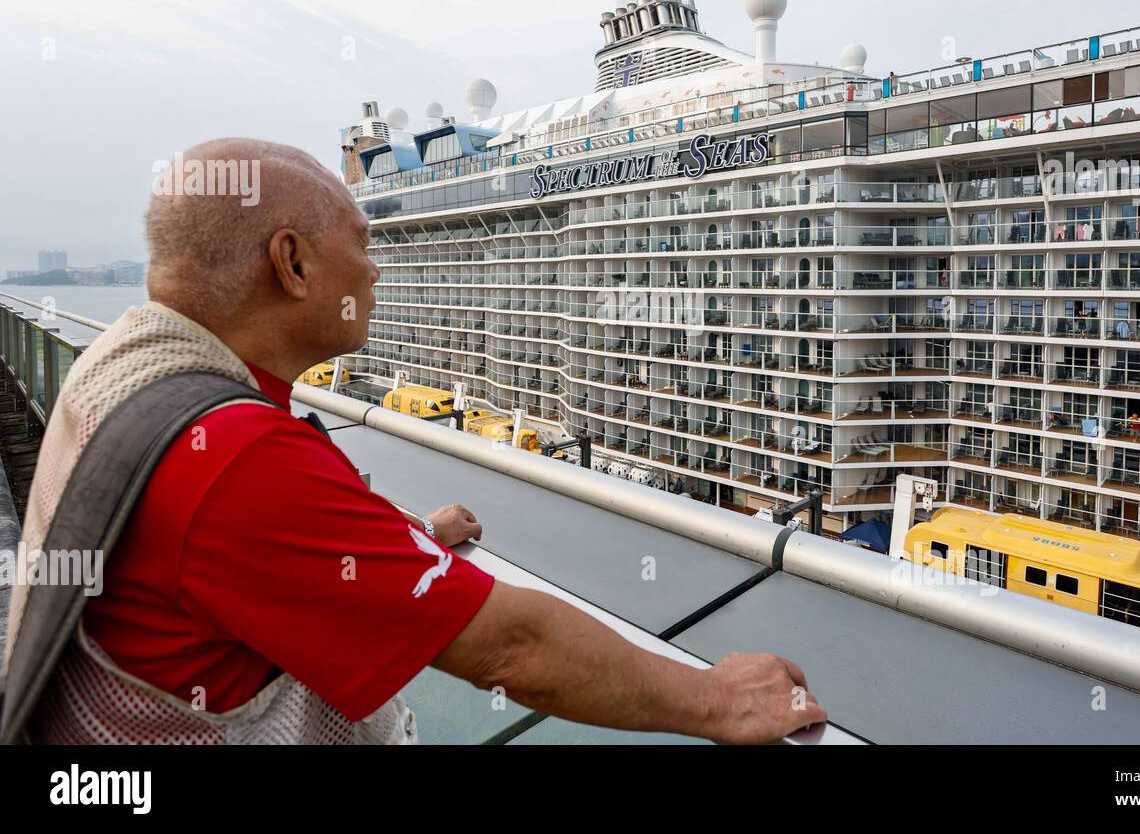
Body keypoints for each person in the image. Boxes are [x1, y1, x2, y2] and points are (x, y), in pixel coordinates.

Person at [6, 139, 827, 745]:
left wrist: (392, 551)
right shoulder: (235, 458)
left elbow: (247, 558)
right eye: (361, 245)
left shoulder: (123, 365)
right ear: (290, 264)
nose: (375, 273)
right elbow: (514, 647)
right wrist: (718, 699)